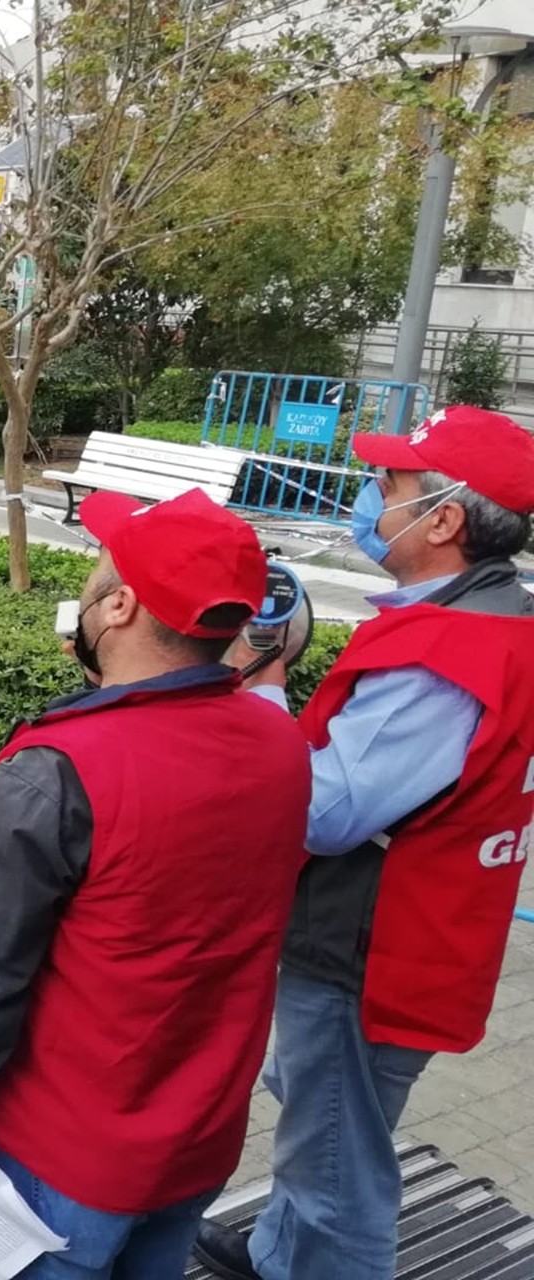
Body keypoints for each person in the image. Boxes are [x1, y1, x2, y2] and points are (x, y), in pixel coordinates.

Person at [0, 488, 312, 1280]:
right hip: (200, 1137)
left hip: (55, 1158)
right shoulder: (281, 743)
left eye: (97, 570)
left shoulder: (59, 774)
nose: (85, 585)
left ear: (119, 608)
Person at [193, 408, 534, 1280]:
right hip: (428, 928)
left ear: (445, 520)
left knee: (340, 1155)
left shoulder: (444, 654)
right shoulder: (502, 622)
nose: (370, 500)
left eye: (391, 487)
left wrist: (264, 690)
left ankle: (321, 1257)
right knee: (328, 1114)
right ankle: (278, 1250)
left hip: (370, 944)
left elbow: (324, 811)